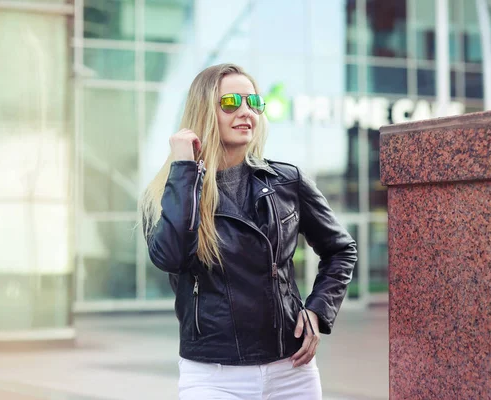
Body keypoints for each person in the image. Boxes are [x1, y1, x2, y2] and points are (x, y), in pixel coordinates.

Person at [140, 63, 357, 399]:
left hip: (292, 369)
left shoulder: (287, 181)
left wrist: (317, 311)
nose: (245, 112)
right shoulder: (172, 191)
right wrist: (184, 169)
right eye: (230, 103)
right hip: (213, 375)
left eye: (253, 102)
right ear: (205, 111)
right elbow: (170, 256)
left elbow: (340, 249)